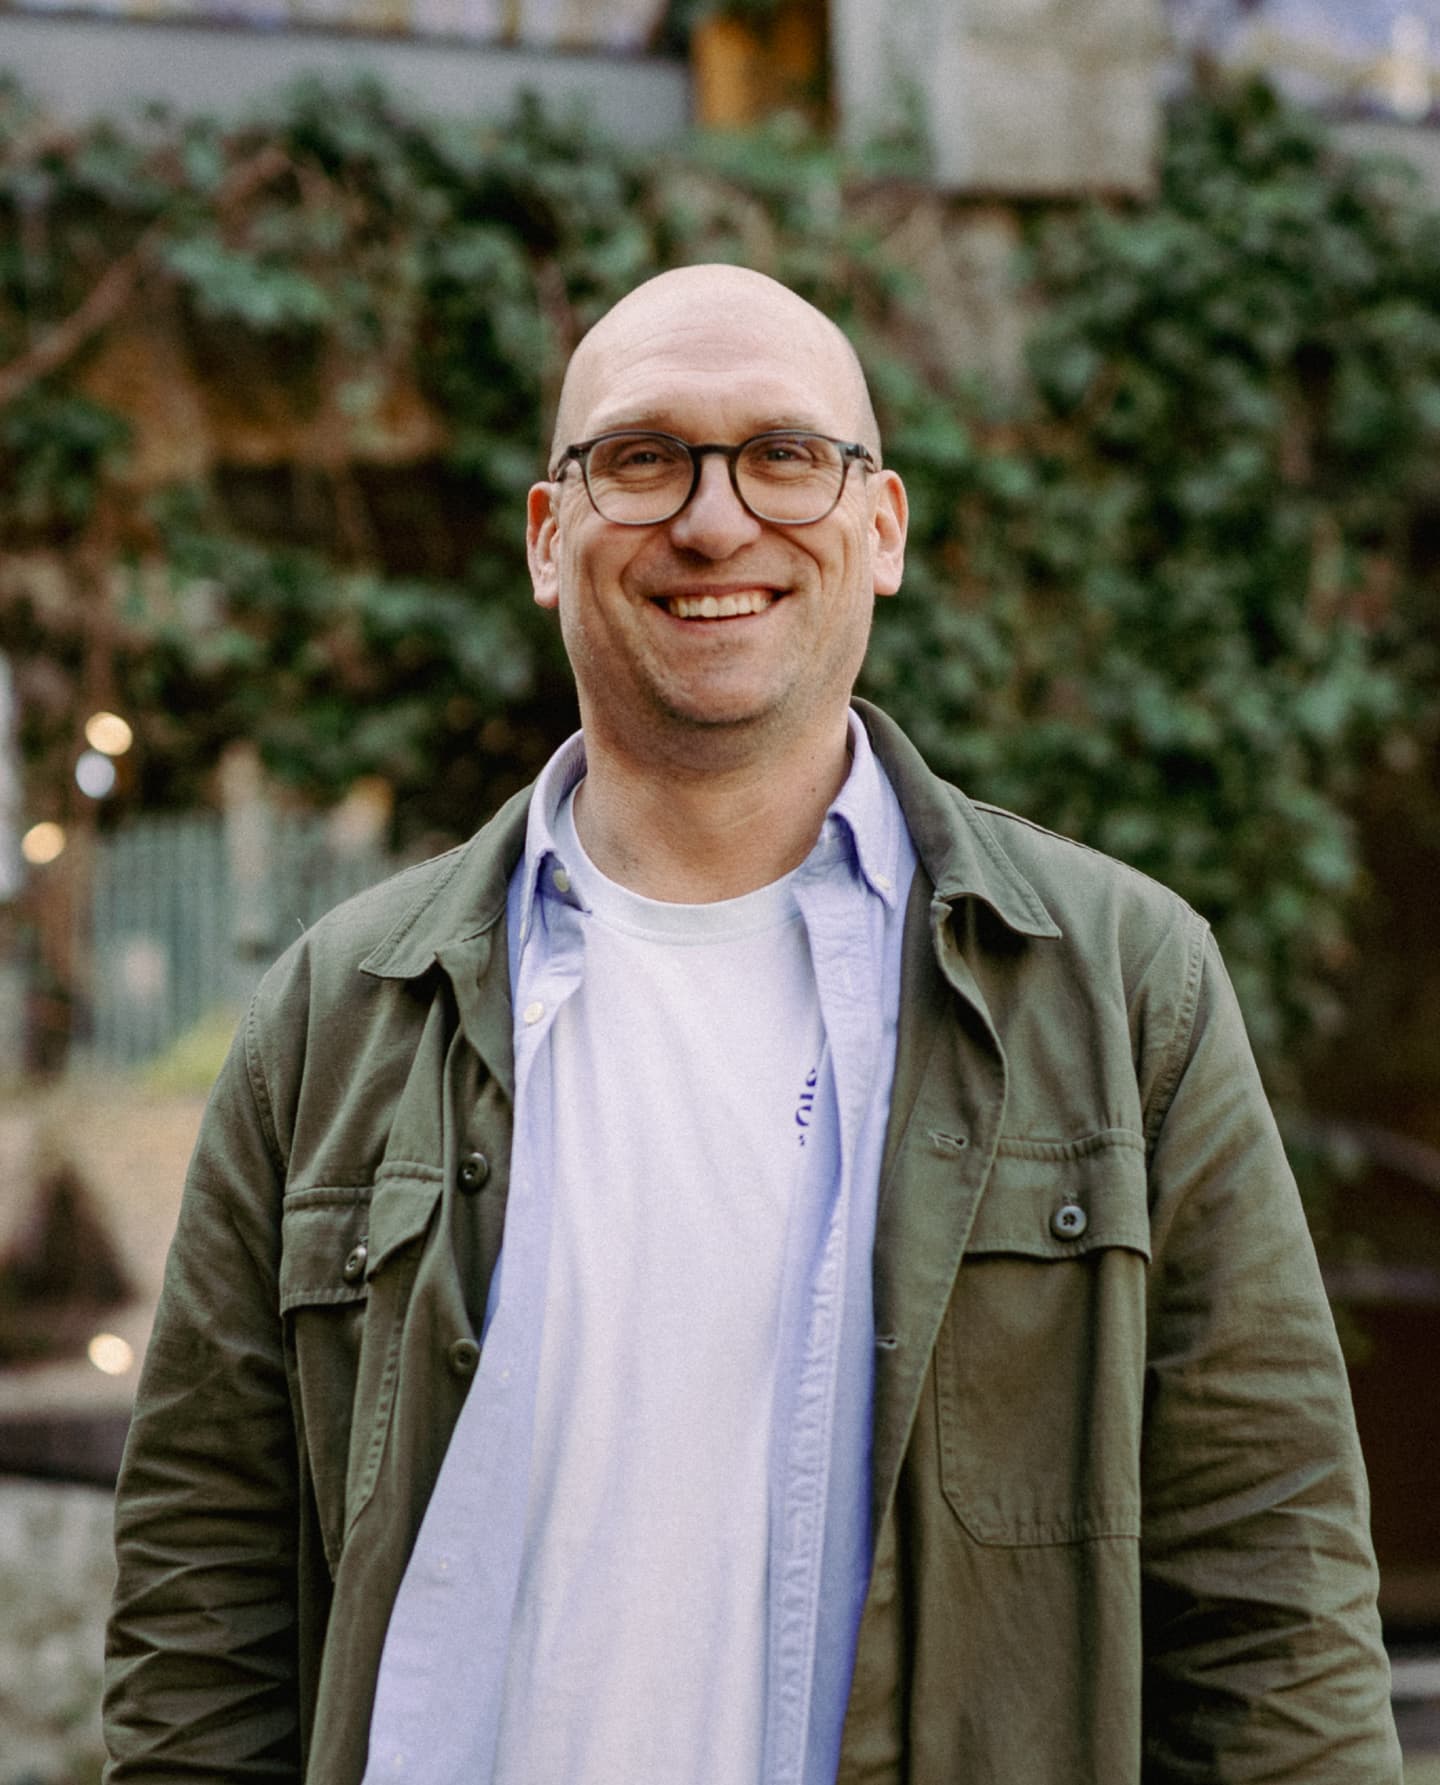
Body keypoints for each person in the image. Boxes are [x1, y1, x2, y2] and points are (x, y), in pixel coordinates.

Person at [104, 265, 1402, 1785]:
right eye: (642, 457)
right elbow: (201, 1619)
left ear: (883, 527)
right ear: (548, 536)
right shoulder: (334, 1019)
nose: (715, 520)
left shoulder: (1123, 990)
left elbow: (1273, 1611)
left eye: (786, 454)